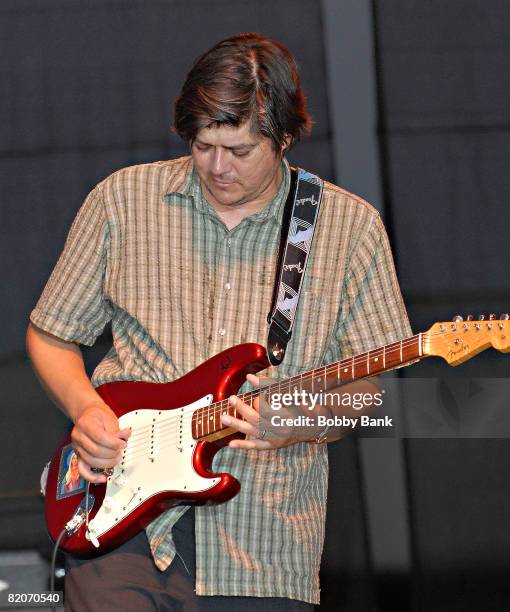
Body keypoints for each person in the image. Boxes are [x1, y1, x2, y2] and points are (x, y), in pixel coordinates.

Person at [27, 33, 411, 610]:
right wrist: (87, 409)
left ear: (283, 137)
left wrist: (301, 420)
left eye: (239, 150)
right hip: (115, 521)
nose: (216, 166)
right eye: (203, 145)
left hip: (262, 543)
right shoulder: (122, 201)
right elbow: (51, 332)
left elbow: (372, 397)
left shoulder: (349, 229)